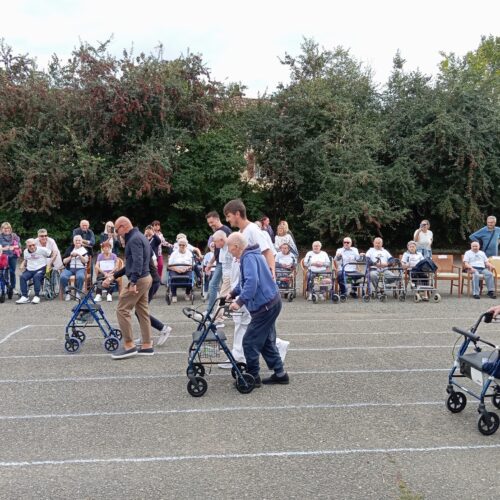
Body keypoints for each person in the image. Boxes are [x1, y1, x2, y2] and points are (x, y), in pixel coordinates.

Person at [227, 232, 289, 386]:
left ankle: (253, 377)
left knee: (249, 341)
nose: (229, 252)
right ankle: (280, 373)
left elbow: (252, 282)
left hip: (265, 306)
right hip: (271, 302)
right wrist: (233, 292)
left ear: (236, 246)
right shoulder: (251, 255)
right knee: (266, 340)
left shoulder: (248, 257)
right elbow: (245, 280)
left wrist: (239, 302)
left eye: (230, 248)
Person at [103, 216, 153, 359]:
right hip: (145, 277)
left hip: (139, 280)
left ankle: (129, 345)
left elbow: (137, 262)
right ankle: (147, 345)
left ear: (123, 226)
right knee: (142, 311)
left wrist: (133, 282)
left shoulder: (134, 239)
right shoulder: (140, 237)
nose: (117, 234)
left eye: (117, 230)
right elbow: (131, 264)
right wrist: (114, 275)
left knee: (122, 310)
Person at [223, 199, 275, 278]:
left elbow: (267, 252)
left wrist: (271, 276)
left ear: (237, 214)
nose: (227, 220)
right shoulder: (240, 232)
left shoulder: (253, 230)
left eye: (228, 216)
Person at [205, 211, 232, 316]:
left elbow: (232, 247)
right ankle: (217, 311)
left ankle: (212, 312)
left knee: (214, 285)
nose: (211, 225)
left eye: (212, 222)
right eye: (209, 223)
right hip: (220, 262)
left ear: (217, 219)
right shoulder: (216, 232)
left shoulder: (226, 230)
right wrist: (210, 263)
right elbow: (217, 251)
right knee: (221, 287)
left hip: (226, 264)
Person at [16, 239, 52, 304]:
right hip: (30, 269)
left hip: (40, 268)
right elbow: (26, 260)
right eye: (30, 246)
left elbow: (52, 253)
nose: (32, 247)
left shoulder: (42, 249)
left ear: (35, 244)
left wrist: (49, 264)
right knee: (22, 277)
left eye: (33, 245)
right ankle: (24, 297)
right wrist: (22, 264)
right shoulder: (25, 251)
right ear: (27, 246)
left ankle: (37, 296)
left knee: (36, 276)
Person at [60, 235, 89, 300]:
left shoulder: (84, 250)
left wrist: (79, 255)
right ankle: (68, 292)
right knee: (62, 277)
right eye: (76, 240)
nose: (78, 242)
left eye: (79, 240)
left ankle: (78, 293)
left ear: (81, 242)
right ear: (74, 242)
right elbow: (64, 261)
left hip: (80, 268)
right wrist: (71, 256)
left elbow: (85, 261)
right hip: (69, 268)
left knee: (80, 277)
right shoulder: (69, 249)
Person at [167, 237, 194, 303]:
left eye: (183, 245)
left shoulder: (189, 253)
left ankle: (187, 293)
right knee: (173, 278)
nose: (181, 246)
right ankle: (174, 295)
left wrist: (186, 268)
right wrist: (176, 269)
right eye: (180, 245)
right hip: (175, 269)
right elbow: (169, 265)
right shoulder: (174, 253)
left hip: (186, 270)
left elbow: (192, 264)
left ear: (186, 246)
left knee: (190, 279)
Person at [0, 222, 21, 296]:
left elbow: (19, 244)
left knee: (12, 272)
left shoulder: (14, 235)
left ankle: (13, 287)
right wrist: (3, 248)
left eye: (8, 228)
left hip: (12, 256)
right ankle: (4, 287)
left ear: (10, 228)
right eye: (5, 228)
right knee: (3, 272)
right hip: (2, 256)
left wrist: (14, 247)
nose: (6, 229)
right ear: (2, 229)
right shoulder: (0, 236)